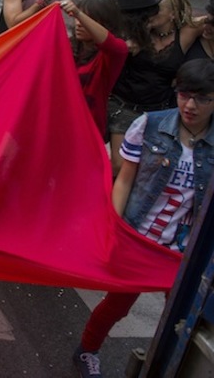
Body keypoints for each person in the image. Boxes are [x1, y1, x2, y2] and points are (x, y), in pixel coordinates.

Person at [73, 59, 214, 378]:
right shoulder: (149, 125)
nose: (190, 105)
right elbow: (124, 179)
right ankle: (86, 350)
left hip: (182, 250)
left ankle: (169, 365)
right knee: (117, 306)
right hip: (139, 238)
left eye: (202, 98)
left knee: (182, 315)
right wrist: (115, 226)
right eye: (184, 95)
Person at [108, 0, 203, 178]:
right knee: (118, 165)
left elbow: (207, 20)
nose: (151, 13)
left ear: (173, 15)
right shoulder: (137, 30)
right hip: (125, 106)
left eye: (157, 9)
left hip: (158, 110)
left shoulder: (185, 34)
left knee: (147, 166)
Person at [59, 0, 128, 134]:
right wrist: (42, 1)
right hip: (59, 121)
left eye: (87, 19)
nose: (78, 23)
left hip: (87, 129)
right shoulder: (67, 46)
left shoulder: (113, 54)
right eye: (76, 18)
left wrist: (78, 13)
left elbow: (111, 44)